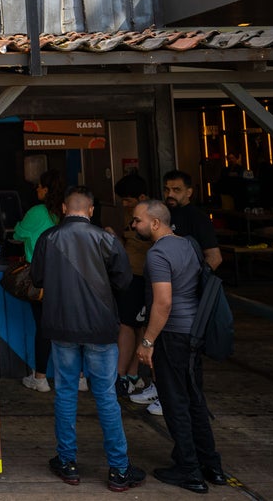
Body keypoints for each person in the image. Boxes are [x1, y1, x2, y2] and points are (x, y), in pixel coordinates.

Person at [31, 186, 145, 492]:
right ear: (91, 210)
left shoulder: (48, 238)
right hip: (100, 329)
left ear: (66, 209)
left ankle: (67, 463)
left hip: (62, 328)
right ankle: (119, 470)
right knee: (106, 396)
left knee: (66, 392)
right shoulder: (106, 239)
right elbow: (124, 281)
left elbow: (37, 279)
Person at [132, 199, 229, 493]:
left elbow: (163, 302)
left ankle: (189, 470)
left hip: (172, 334)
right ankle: (211, 465)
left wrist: (147, 341)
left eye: (137, 220)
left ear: (156, 223)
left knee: (175, 404)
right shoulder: (188, 245)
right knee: (195, 400)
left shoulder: (158, 255)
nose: (133, 225)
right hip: (193, 334)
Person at [13, 169, 65, 393]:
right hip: (66, 277)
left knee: (44, 327)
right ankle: (80, 377)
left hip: (42, 277)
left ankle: (40, 378)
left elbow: (17, 234)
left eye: (39, 186)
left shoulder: (37, 211)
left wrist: (17, 226)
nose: (37, 189)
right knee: (69, 326)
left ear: (46, 189)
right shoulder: (66, 211)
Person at [112, 172, 152, 401]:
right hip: (129, 277)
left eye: (128, 200)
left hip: (142, 278)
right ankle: (128, 375)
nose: (125, 205)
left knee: (132, 326)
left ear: (143, 197)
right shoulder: (131, 215)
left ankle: (126, 375)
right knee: (131, 324)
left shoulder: (152, 218)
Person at [162, 171, 221, 272]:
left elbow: (215, 258)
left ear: (189, 192)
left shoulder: (198, 217)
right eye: (167, 190)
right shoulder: (162, 214)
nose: (170, 194)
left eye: (176, 190)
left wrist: (197, 281)